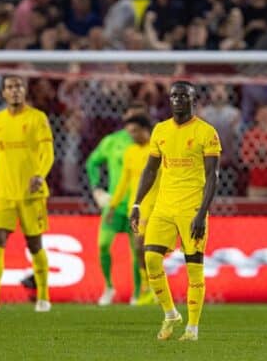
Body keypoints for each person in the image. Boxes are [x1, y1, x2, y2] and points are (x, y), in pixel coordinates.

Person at [130, 81, 221, 341]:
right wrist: (137, 203)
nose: (178, 99)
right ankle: (170, 313)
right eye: (174, 95)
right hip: (163, 206)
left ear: (194, 99)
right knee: (150, 259)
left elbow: (212, 175)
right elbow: (150, 169)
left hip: (191, 207)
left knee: (194, 268)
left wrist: (202, 212)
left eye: (184, 95)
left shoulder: (207, 132)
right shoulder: (160, 130)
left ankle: (192, 328)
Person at [0, 75, 54, 312]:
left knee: (35, 244)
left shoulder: (38, 118)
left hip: (31, 193)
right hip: (3, 193)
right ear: (3, 93)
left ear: (25, 91)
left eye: (18, 86)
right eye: (10, 87)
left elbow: (48, 151)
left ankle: (43, 296)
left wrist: (40, 175)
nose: (15, 90)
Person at [85, 101, 147, 306]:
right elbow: (92, 162)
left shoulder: (152, 143)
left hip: (139, 206)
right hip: (116, 203)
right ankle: (109, 287)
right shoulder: (112, 141)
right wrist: (96, 189)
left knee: (136, 251)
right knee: (103, 245)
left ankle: (138, 293)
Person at [107, 114, 159, 306]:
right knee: (140, 248)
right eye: (129, 132)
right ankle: (149, 287)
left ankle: (151, 287)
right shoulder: (130, 152)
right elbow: (124, 181)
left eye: (135, 131)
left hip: (155, 206)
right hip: (136, 207)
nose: (132, 135)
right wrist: (113, 206)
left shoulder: (157, 149)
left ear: (146, 129)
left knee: (145, 247)